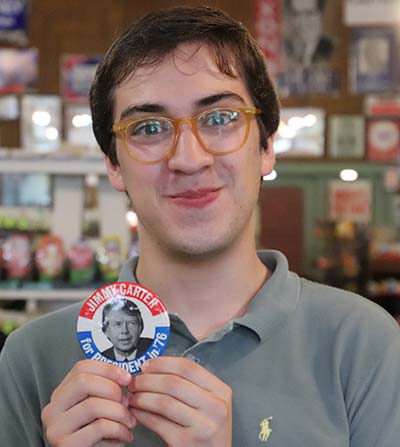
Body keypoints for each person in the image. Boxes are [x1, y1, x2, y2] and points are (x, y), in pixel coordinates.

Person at [0, 5, 399, 447]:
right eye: (149, 127)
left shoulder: (364, 344)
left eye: (220, 118)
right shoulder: (31, 360)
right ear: (114, 164)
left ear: (266, 145)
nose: (189, 159)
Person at [283, 0, 334, 67]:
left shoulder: (332, 49)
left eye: (309, 13)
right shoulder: (284, 49)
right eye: (296, 14)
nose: (303, 22)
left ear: (321, 14)